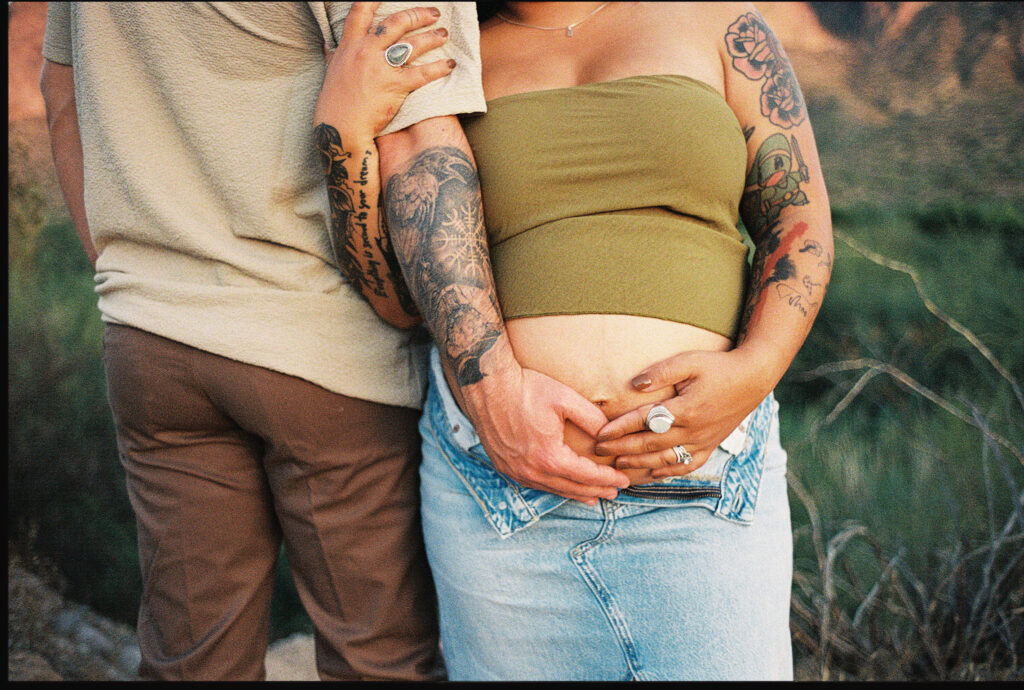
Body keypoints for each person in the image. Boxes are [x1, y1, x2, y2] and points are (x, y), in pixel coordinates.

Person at [40, 1, 617, 681]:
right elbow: (416, 145)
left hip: (151, 342)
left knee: (191, 667)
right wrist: (492, 390)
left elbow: (60, 93)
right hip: (326, 358)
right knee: (380, 664)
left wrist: (128, 274)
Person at [321, 1, 834, 681]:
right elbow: (398, 301)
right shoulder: (447, 53)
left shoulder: (721, 24)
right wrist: (346, 136)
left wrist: (755, 370)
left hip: (702, 485)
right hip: (500, 498)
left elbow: (798, 224)